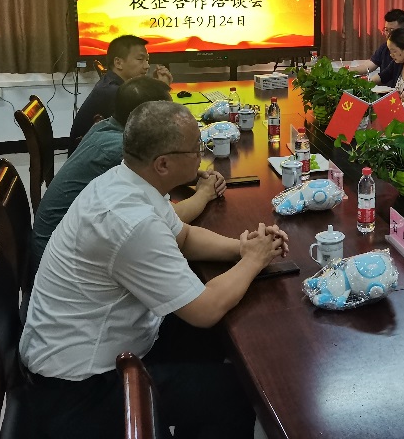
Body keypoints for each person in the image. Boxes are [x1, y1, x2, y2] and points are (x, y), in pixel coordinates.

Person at [20, 101, 288, 438]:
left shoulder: (127, 180)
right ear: (163, 164)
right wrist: (253, 261)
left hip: (102, 344)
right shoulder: (130, 222)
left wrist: (242, 248)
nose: (201, 155)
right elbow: (204, 309)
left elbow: (183, 236)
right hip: (78, 386)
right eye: (196, 148)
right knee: (233, 396)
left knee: (217, 340)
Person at [30, 76, 224, 275]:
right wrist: (205, 193)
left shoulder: (106, 127)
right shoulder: (121, 150)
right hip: (62, 264)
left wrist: (190, 172)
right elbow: (167, 220)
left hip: (62, 247)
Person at [68, 35, 173, 151]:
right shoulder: (113, 91)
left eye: (147, 60)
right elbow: (155, 122)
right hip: (96, 157)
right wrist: (162, 89)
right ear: (118, 63)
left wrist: (156, 86)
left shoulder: (114, 83)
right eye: (140, 59)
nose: (147, 66)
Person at [348, 8, 404, 82]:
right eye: (386, 30)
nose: (388, 34)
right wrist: (350, 71)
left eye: (392, 31)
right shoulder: (385, 47)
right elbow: (371, 67)